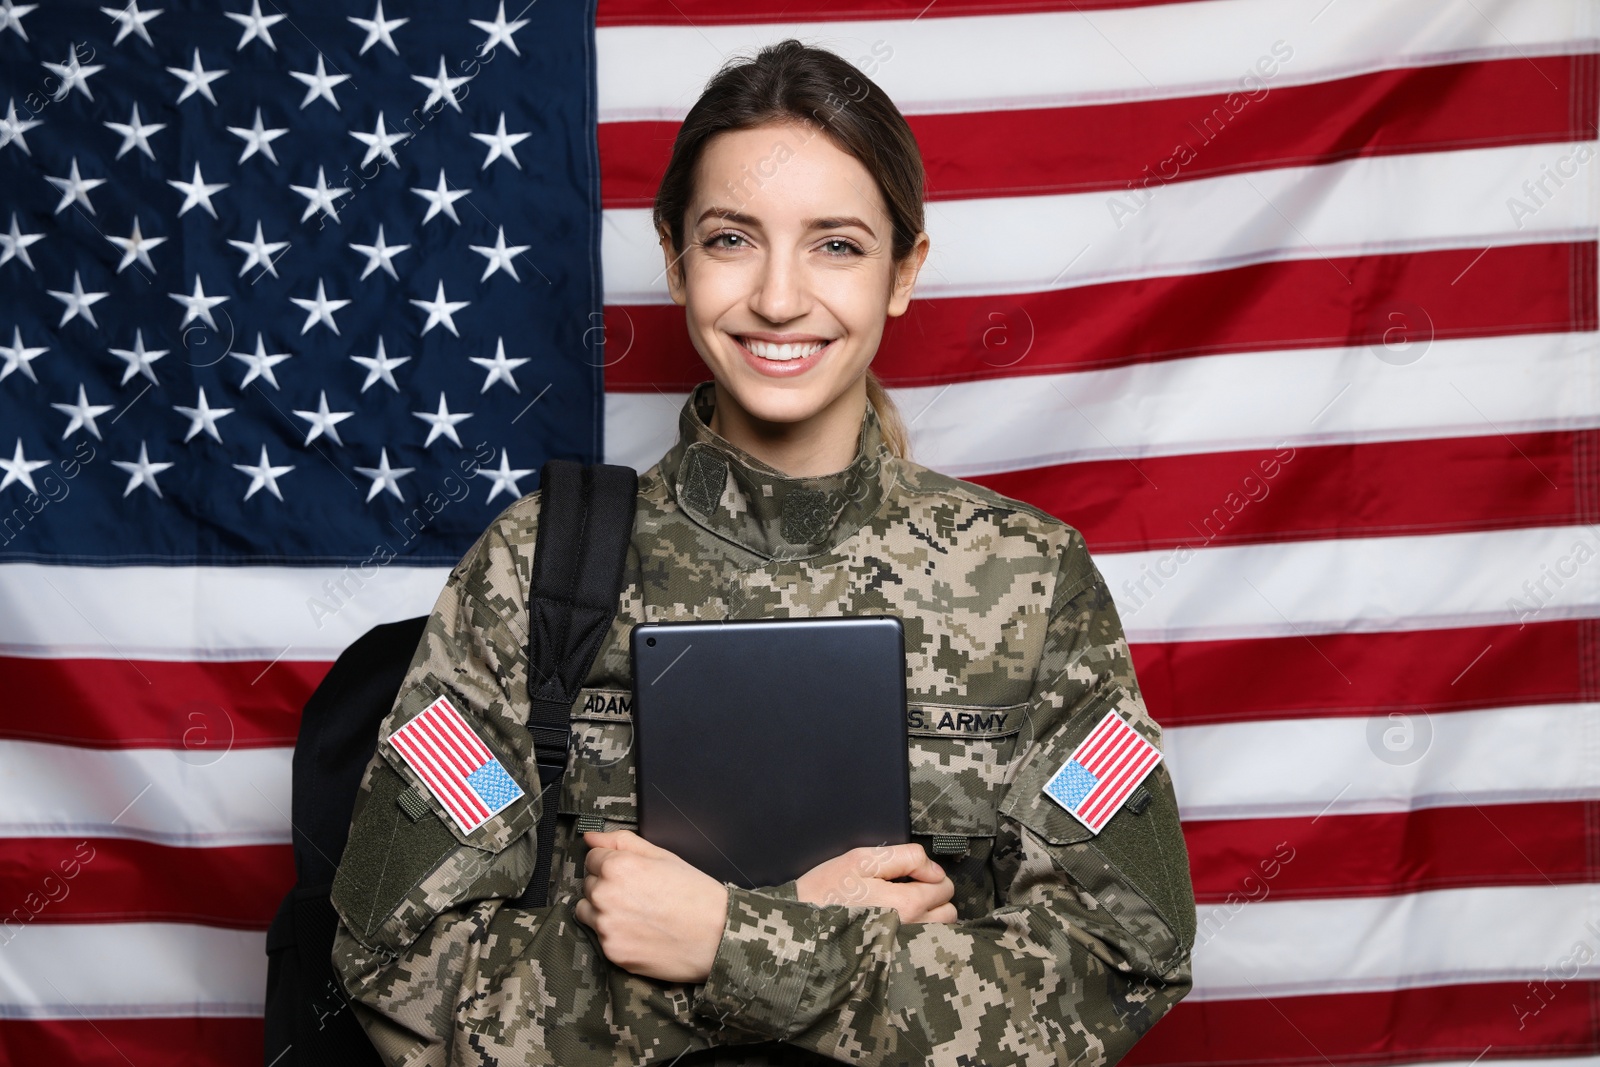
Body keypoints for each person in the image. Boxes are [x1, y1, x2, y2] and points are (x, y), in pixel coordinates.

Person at [330, 38, 1196, 1066]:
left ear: (903, 272)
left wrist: (728, 942)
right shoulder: (534, 571)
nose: (780, 298)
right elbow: (392, 962)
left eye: (835, 244)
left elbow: (1123, 955)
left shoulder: (1031, 579)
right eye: (733, 239)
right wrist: (799, 941)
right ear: (674, 256)